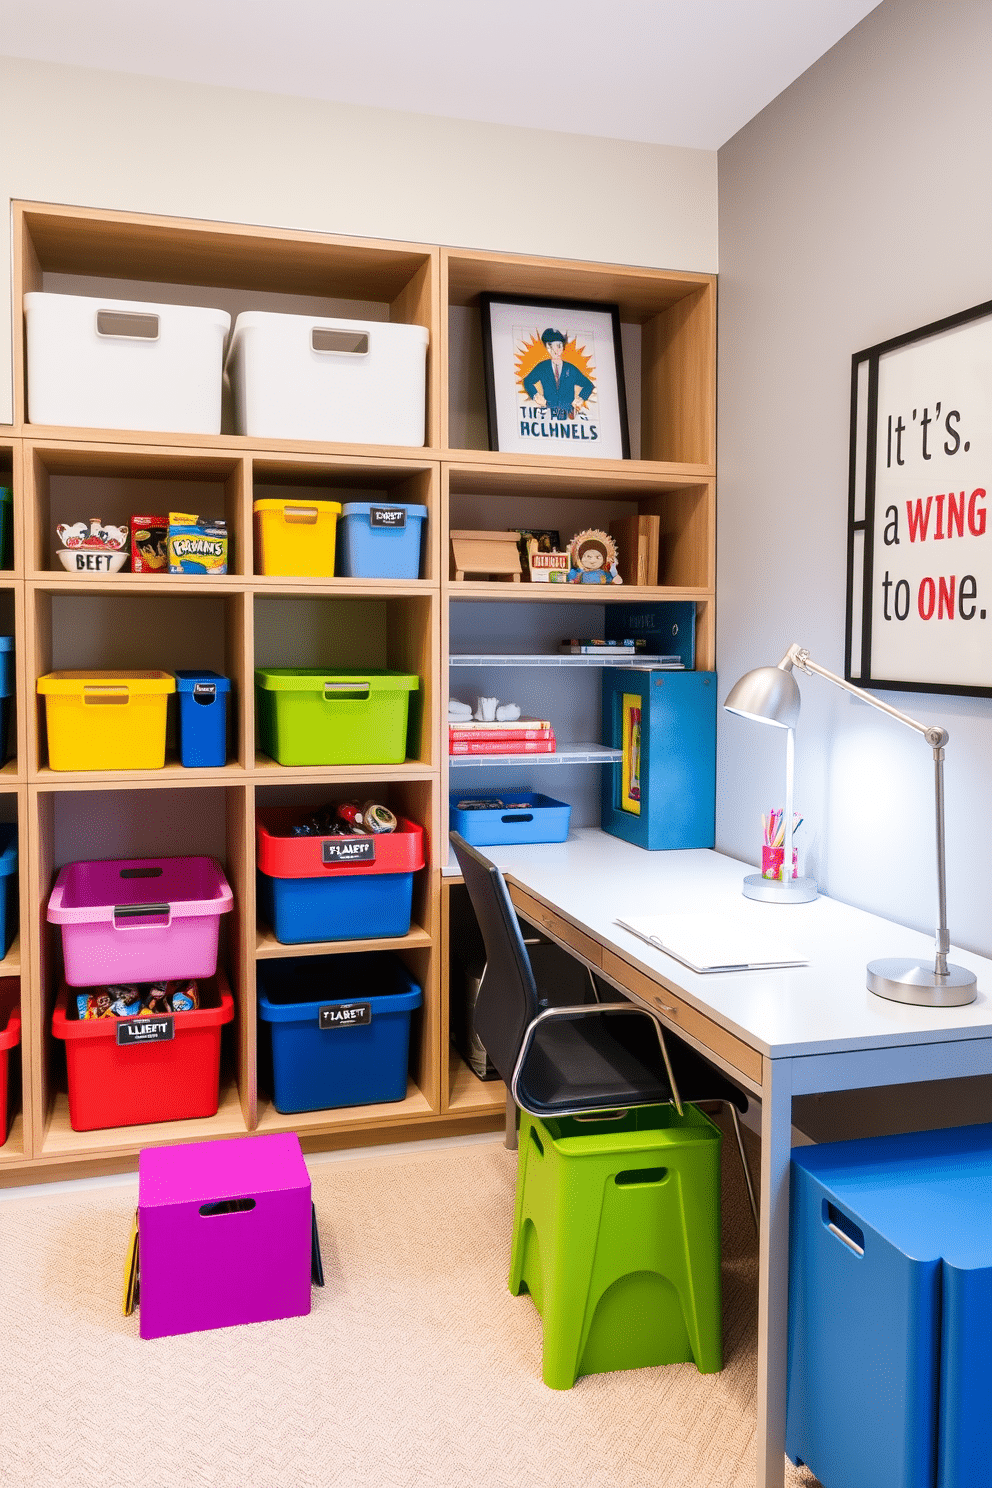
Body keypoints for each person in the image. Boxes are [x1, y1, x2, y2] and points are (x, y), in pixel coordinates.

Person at [522, 328, 594, 419]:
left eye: (559, 346)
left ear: (563, 347)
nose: (556, 350)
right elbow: (527, 381)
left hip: (569, 416)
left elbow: (588, 385)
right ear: (548, 347)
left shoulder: (570, 369)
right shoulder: (542, 367)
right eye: (551, 346)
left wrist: (581, 398)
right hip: (549, 415)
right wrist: (535, 395)